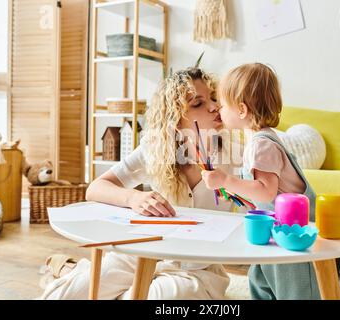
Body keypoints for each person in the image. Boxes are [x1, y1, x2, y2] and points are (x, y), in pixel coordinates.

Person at [38, 68, 238, 300]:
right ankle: (76, 272)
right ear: (174, 117)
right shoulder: (156, 149)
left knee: (159, 298)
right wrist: (134, 198)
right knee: (63, 296)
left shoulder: (237, 153)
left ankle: (71, 269)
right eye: (198, 103)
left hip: (195, 269)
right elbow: (95, 189)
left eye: (214, 98)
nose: (214, 107)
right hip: (142, 252)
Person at [201, 63, 321, 300]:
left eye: (223, 105)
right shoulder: (259, 140)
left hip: (291, 230)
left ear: (242, 110)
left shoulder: (262, 144)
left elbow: (266, 192)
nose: (219, 110)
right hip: (275, 227)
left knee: (294, 289)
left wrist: (226, 180)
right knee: (261, 279)